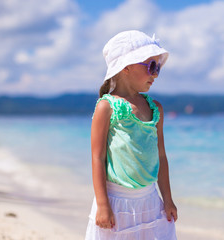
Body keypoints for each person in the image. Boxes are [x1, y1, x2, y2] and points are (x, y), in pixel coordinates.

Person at [85, 30, 178, 240]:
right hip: (117, 201)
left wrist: (168, 199)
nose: (155, 74)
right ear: (126, 67)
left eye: (158, 68)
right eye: (151, 67)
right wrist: (102, 204)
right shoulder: (107, 107)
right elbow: (97, 158)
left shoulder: (156, 109)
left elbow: (161, 157)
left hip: (150, 201)